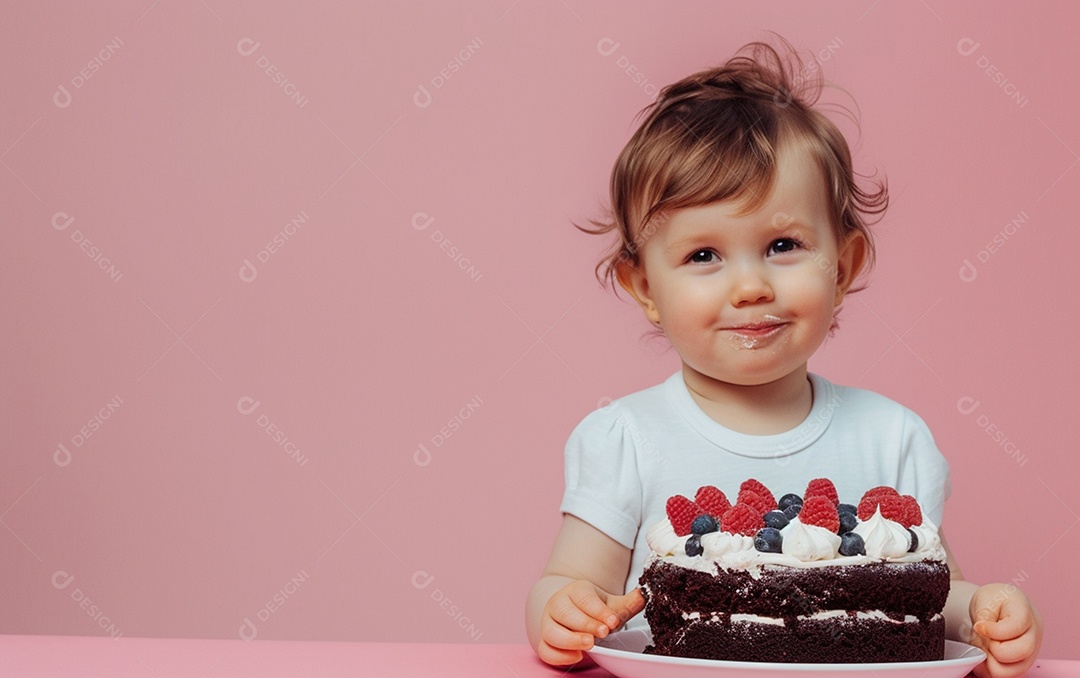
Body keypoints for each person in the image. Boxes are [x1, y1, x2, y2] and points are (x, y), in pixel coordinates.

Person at [524, 37, 1042, 677]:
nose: (750, 287)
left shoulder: (892, 437)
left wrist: (988, 614)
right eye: (703, 256)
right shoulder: (624, 438)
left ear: (843, 266)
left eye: (783, 244)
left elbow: (933, 599)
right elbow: (571, 583)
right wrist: (562, 612)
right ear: (645, 289)